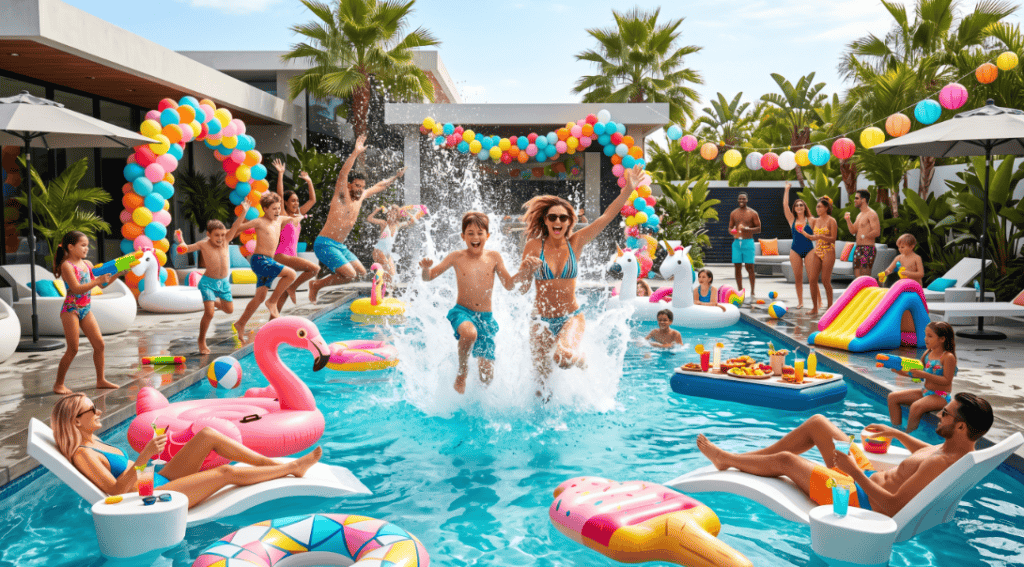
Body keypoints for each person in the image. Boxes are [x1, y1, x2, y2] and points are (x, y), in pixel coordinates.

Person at [695, 392, 994, 517]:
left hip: (858, 496)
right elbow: (926, 452)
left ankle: (728, 459)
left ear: (961, 426)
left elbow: (890, 507)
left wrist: (851, 471)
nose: (939, 415)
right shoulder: (956, 447)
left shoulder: (944, 462)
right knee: (818, 424)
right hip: (866, 477)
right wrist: (899, 434)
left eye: (945, 414)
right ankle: (749, 457)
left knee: (787, 462)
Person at [51, 393, 323, 509]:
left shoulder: (95, 441)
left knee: (206, 435)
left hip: (155, 480)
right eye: (91, 410)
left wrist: (149, 460)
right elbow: (114, 492)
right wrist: (145, 456)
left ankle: (267, 462)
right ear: (76, 421)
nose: (98, 411)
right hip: (153, 495)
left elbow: (134, 473)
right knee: (225, 472)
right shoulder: (83, 453)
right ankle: (291, 468)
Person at [520, 165, 642, 385]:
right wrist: (527, 271)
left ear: (569, 221)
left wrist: (627, 191)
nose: (558, 221)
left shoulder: (576, 242)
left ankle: (582, 361)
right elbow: (521, 287)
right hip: (540, 320)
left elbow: (605, 217)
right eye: (552, 217)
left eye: (563, 217)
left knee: (563, 357)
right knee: (540, 385)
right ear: (545, 220)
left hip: (571, 316)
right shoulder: (533, 245)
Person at [419, 212, 539, 394]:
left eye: (480, 233)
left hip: (486, 319)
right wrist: (426, 269)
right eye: (470, 233)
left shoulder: (494, 257)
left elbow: (509, 285)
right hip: (462, 312)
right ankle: (462, 371)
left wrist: (525, 272)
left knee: (486, 378)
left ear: (487, 236)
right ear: (463, 236)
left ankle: (475, 401)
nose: (475, 237)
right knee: (469, 333)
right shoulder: (456, 257)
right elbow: (429, 278)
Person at [308, 134, 406, 302]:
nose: (360, 189)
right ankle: (317, 285)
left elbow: (379, 186)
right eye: (357, 185)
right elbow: (343, 174)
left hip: (339, 245)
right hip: (324, 243)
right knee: (350, 274)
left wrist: (396, 177)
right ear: (349, 185)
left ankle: (318, 285)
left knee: (360, 273)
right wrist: (355, 152)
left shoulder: (361, 197)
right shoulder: (341, 195)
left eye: (362, 186)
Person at [52, 231, 118, 395]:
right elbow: (76, 288)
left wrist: (118, 273)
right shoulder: (67, 265)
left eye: (87, 246)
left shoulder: (88, 264)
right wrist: (97, 281)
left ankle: (100, 380)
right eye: (83, 245)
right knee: (73, 349)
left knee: (99, 345)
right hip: (71, 310)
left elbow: (102, 285)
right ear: (71, 247)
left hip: (86, 309)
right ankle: (59, 384)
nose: (86, 249)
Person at [175, 216, 247, 354]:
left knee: (229, 310)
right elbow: (186, 249)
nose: (220, 238)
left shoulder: (226, 241)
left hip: (223, 283)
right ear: (208, 235)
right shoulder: (203, 244)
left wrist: (244, 211)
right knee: (209, 313)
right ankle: (201, 340)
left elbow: (236, 225)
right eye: (216, 235)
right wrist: (181, 241)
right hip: (208, 283)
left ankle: (214, 303)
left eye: (222, 234)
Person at [233, 197, 298, 341]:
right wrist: (243, 213)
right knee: (291, 274)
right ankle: (273, 302)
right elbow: (238, 228)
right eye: (274, 208)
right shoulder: (259, 222)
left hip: (268, 260)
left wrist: (297, 218)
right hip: (260, 260)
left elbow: (292, 217)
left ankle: (241, 323)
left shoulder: (280, 220)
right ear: (265, 209)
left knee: (260, 297)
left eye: (278, 208)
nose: (277, 211)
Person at [888, 322, 958, 432]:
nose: (926, 339)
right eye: (925, 335)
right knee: (892, 397)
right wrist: (900, 372)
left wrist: (923, 374)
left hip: (940, 396)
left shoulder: (948, 357)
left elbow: (946, 380)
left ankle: (908, 435)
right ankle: (895, 430)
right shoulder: (927, 353)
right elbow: (918, 375)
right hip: (925, 391)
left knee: (916, 406)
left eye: (930, 336)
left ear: (942, 339)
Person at [272, 158, 319, 311]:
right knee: (314, 269)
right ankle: (294, 288)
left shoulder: (298, 214)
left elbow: (312, 200)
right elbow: (279, 195)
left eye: (297, 201)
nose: (296, 203)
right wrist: (280, 174)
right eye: (292, 201)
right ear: (285, 203)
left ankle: (273, 319)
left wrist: (309, 181)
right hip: (282, 255)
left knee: (283, 292)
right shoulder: (284, 215)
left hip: (291, 256)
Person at [368, 204, 416, 291]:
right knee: (387, 270)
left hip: (387, 253)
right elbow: (369, 219)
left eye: (393, 214)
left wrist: (407, 214)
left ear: (397, 216)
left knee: (392, 275)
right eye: (389, 214)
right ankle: (377, 288)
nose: (390, 216)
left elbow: (412, 221)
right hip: (378, 252)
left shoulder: (398, 225)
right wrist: (376, 211)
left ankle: (387, 293)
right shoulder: (383, 223)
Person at [782, 182, 813, 309]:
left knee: (812, 277)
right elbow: (785, 205)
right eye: (797, 205)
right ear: (794, 208)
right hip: (795, 250)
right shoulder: (791, 220)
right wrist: (787, 189)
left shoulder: (811, 220)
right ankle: (800, 302)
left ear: (805, 207)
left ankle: (817, 301)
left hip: (809, 249)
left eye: (801, 205)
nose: (799, 207)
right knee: (798, 277)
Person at [806, 197, 838, 316]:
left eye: (819, 206)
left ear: (826, 208)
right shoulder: (815, 221)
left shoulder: (831, 221)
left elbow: (833, 239)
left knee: (825, 280)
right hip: (817, 251)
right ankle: (815, 308)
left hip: (828, 251)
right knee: (812, 280)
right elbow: (812, 236)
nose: (817, 208)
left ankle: (830, 307)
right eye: (817, 206)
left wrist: (820, 237)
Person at [728, 192, 761, 301]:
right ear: (738, 200)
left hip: (748, 242)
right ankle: (740, 290)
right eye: (740, 198)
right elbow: (730, 227)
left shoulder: (752, 213)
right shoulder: (734, 213)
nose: (741, 200)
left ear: (747, 200)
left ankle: (752, 291)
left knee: (749, 267)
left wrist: (748, 229)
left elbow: (759, 229)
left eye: (743, 198)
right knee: (737, 267)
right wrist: (732, 231)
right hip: (737, 243)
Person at [845, 190, 881, 278]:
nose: (854, 200)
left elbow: (877, 232)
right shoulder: (860, 215)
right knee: (857, 277)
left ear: (863, 200)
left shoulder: (871, 214)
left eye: (857, 198)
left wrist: (864, 236)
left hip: (868, 248)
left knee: (865, 277)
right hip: (858, 248)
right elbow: (853, 231)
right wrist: (848, 220)